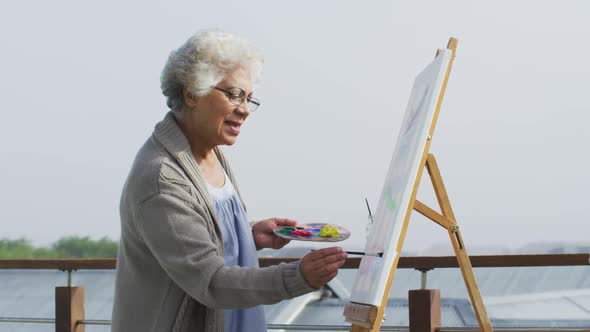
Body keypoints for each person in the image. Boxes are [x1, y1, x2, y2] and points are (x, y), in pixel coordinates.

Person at [111, 29, 347, 332]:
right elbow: (210, 281)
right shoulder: (160, 179)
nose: (245, 110)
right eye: (234, 95)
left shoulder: (211, 153)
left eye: (249, 98)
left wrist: (246, 237)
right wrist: (298, 276)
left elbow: (199, 236)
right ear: (192, 93)